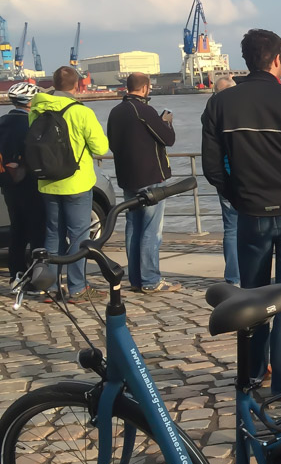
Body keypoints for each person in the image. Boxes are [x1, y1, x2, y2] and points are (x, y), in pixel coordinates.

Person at [201, 29, 281, 395]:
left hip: (251, 212)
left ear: (245, 60)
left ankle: (255, 373)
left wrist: (237, 195)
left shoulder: (220, 104)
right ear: (278, 60)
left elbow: (212, 168)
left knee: (253, 297)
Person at [31, 67, 110, 303]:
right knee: (78, 236)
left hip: (47, 182)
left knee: (53, 235)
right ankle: (77, 288)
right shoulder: (81, 112)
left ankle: (51, 287)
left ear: (53, 84)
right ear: (77, 86)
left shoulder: (36, 110)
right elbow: (100, 148)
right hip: (76, 182)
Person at [107, 72, 180, 293]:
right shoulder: (145, 111)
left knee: (133, 227)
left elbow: (112, 143)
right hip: (150, 177)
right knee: (151, 229)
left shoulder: (115, 112)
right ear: (146, 88)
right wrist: (166, 122)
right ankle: (150, 280)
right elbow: (168, 140)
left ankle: (136, 279)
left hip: (127, 177)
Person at [0, 82, 45, 290]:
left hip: (8, 184)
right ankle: (36, 276)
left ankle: (15, 276)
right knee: (37, 231)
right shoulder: (31, 123)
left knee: (17, 230)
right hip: (31, 183)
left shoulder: (2, 121)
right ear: (30, 101)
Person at [212, 75, 239, 283]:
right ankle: (251, 274)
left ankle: (233, 277)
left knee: (230, 228)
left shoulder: (211, 112)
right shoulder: (242, 110)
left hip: (225, 175)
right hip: (246, 176)